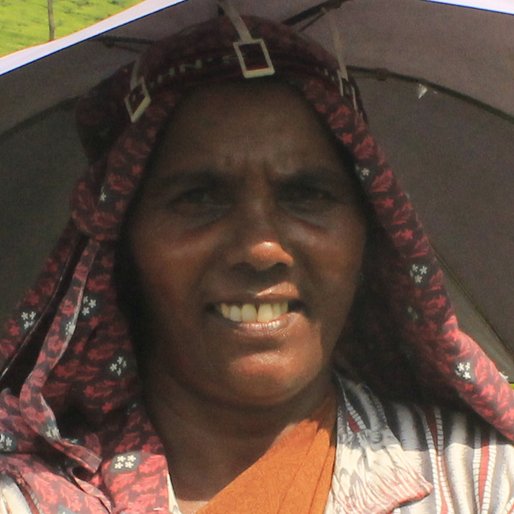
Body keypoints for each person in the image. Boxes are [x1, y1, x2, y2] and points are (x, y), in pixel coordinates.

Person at [0, 6, 513, 514]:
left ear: (368, 238)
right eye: (200, 197)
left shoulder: (479, 484)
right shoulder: (29, 499)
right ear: (122, 243)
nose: (261, 250)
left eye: (306, 194)